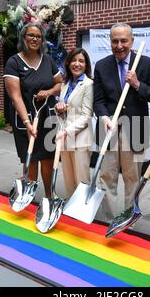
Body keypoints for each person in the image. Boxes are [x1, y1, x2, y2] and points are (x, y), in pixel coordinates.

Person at [93, 23, 150, 221]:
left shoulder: (146, 63)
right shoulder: (102, 65)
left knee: (133, 179)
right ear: (110, 42)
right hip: (109, 128)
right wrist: (104, 117)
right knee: (106, 177)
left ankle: (127, 220)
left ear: (131, 41)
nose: (119, 45)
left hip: (136, 128)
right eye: (115, 41)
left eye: (124, 40)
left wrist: (138, 84)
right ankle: (109, 220)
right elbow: (98, 100)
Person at [4, 23, 63, 197]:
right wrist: (27, 123)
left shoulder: (48, 61)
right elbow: (16, 97)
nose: (34, 39)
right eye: (31, 35)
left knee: (48, 159)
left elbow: (60, 84)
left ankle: (49, 196)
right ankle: (27, 199)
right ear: (23, 38)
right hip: (25, 119)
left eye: (38, 36)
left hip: (48, 118)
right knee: (30, 160)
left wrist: (49, 92)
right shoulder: (14, 62)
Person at [55, 48, 94, 197]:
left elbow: (87, 115)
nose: (77, 64)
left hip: (80, 139)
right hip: (65, 139)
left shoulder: (89, 84)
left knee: (81, 180)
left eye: (81, 61)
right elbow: (63, 109)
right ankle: (71, 211)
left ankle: (82, 213)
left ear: (86, 65)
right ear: (68, 63)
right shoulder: (65, 84)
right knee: (69, 179)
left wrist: (66, 132)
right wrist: (59, 108)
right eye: (74, 60)